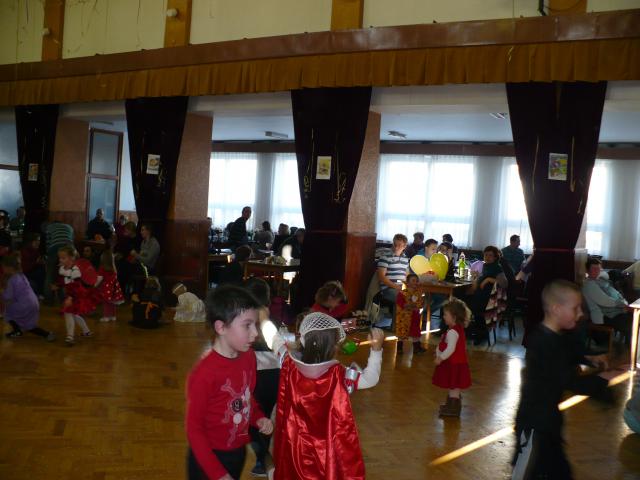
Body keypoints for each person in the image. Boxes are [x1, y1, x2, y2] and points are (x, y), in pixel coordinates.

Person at [512, 280, 614, 480]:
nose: (580, 313)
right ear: (556, 309)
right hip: (534, 425)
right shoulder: (540, 342)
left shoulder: (556, 337)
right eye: (575, 308)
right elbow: (567, 379)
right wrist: (603, 378)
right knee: (527, 474)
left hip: (549, 423)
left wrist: (590, 358)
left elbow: (568, 354)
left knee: (561, 472)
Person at [271, 313, 384, 479]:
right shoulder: (339, 375)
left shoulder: (289, 364)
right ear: (334, 347)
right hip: (325, 448)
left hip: (295, 443)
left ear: (303, 340)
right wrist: (376, 349)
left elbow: (275, 342)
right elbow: (370, 379)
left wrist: (264, 318)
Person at [186, 285, 274, 480]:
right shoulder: (204, 374)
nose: (255, 333)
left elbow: (245, 398)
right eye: (247, 325)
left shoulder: (249, 357)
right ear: (221, 327)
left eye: (255, 325)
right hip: (208, 459)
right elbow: (194, 430)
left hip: (237, 451)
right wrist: (218, 474)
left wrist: (258, 417)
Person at [244, 277, 280, 477]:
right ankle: (264, 461)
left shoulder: (243, 318)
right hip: (274, 374)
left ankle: (263, 460)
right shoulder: (270, 319)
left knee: (253, 419)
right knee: (265, 417)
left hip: (253, 374)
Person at [432, 298, 472, 417]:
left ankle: (453, 409)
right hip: (456, 363)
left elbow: (450, 349)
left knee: (454, 387)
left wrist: (440, 358)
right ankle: (451, 405)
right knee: (453, 386)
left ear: (454, 317)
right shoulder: (455, 329)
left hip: (454, 364)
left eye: (445, 315)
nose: (443, 317)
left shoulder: (453, 332)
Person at [1, 254, 55, 341]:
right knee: (28, 324)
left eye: (3, 267)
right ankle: (46, 334)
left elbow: (8, 297)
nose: (2, 269)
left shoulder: (12, 280)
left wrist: (2, 294)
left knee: (8, 313)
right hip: (33, 303)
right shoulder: (21, 275)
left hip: (24, 305)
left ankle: (19, 331)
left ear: (9, 268)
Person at [53, 245, 98, 346]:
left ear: (71, 258)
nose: (60, 260)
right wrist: (58, 285)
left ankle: (70, 337)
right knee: (75, 314)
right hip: (71, 294)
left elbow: (77, 286)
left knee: (68, 313)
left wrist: (70, 298)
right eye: (60, 258)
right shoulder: (62, 268)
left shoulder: (75, 270)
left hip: (76, 295)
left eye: (63, 258)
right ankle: (86, 332)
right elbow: (64, 280)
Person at [582, 257, 632, 341]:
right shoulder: (589, 285)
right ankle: (630, 346)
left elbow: (616, 294)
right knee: (630, 322)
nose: (596, 271)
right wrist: (622, 304)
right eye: (594, 269)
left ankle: (629, 344)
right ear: (587, 271)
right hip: (602, 317)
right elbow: (605, 301)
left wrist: (624, 303)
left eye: (598, 269)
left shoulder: (600, 281)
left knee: (631, 317)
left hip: (611, 312)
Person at [377, 233, 409, 315]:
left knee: (418, 298)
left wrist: (408, 287)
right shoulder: (385, 257)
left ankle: (406, 322)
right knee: (405, 300)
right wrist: (398, 287)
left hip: (401, 288)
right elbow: (381, 277)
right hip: (388, 289)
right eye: (395, 244)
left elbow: (406, 275)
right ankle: (398, 322)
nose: (396, 247)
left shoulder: (405, 258)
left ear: (404, 246)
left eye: (399, 245)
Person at [395, 273, 427, 355]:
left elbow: (420, 304)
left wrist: (418, 304)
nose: (415, 282)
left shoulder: (418, 294)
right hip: (404, 318)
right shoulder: (402, 293)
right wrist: (411, 305)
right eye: (413, 280)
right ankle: (399, 348)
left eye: (417, 281)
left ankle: (417, 348)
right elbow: (401, 304)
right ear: (407, 283)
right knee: (402, 332)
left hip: (415, 317)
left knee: (415, 332)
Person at [44, 220, 74, 304]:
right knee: (65, 274)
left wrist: (48, 257)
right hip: (68, 248)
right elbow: (71, 240)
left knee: (50, 274)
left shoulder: (49, 227)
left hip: (54, 248)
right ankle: (64, 298)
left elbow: (48, 243)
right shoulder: (69, 227)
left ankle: (49, 299)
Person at [96, 249, 124, 323]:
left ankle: (106, 316)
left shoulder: (102, 268)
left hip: (106, 287)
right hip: (114, 287)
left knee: (106, 302)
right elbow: (115, 276)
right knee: (112, 302)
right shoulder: (113, 268)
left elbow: (99, 278)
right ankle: (113, 316)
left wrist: (94, 285)